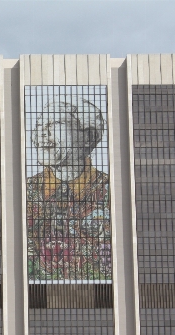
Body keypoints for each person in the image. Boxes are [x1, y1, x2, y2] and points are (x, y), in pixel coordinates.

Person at [27, 97, 111, 281]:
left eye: (54, 123)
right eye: (39, 125)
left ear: (87, 138)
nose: (40, 133)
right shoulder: (26, 192)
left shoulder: (110, 193)